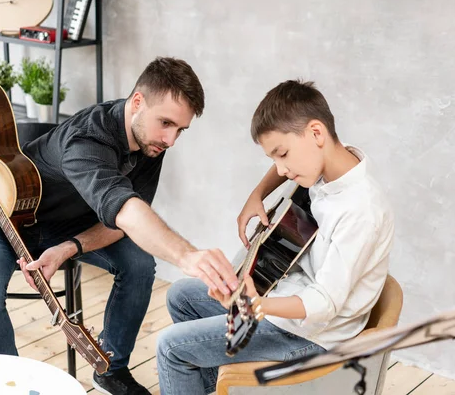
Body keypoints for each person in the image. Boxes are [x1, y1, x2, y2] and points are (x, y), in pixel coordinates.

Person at [0, 57, 239, 395]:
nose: (171, 139)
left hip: (67, 227)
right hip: (0, 215)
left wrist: (68, 248)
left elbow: (124, 222)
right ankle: (8, 385)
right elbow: (124, 207)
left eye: (180, 129)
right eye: (166, 123)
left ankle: (112, 369)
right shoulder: (86, 140)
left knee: (139, 264)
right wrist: (187, 256)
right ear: (137, 102)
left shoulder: (151, 143)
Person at [156, 79, 395, 394]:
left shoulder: (359, 210)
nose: (281, 170)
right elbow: (285, 164)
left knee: (171, 348)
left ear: (316, 133)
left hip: (311, 338)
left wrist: (258, 304)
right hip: (289, 301)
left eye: (282, 154)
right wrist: (257, 194)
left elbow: (324, 304)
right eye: (274, 159)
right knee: (182, 295)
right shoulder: (334, 159)